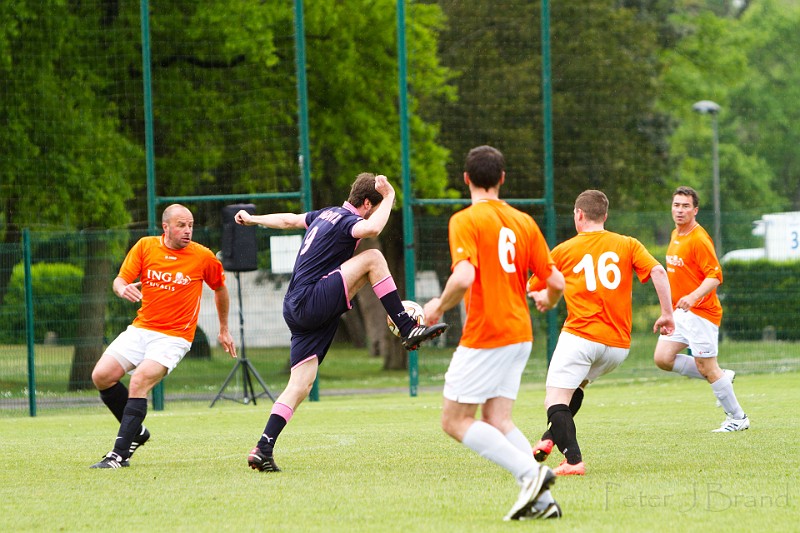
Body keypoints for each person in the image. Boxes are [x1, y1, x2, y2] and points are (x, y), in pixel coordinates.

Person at [236, 173, 448, 472]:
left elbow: (288, 221)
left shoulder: (325, 215)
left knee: (300, 384)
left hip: (296, 306)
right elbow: (373, 227)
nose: (373, 215)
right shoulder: (349, 222)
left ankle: (263, 448)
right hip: (311, 300)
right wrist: (389, 197)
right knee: (373, 257)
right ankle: (407, 326)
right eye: (373, 207)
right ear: (365, 203)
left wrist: (254, 220)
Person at [422, 146, 565, 521]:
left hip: (488, 332)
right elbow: (556, 281)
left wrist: (437, 305)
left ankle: (530, 475)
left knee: (453, 421)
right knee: (497, 420)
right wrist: (547, 300)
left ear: (465, 179)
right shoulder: (523, 221)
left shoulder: (466, 220)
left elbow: (465, 275)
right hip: (520, 332)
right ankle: (543, 500)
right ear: (502, 179)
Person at [527, 190, 675, 476]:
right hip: (617, 346)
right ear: (605, 216)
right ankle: (549, 439)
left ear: (578, 215)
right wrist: (667, 314)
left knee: (554, 401)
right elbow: (658, 272)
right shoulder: (628, 243)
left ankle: (573, 461)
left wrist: (540, 296)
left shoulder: (564, 250)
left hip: (581, 336)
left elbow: (534, 286)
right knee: (575, 389)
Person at [90, 204, 237, 469]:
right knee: (101, 376)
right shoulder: (146, 246)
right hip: (142, 328)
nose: (188, 230)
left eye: (190, 225)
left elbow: (220, 289)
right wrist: (122, 288)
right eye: (181, 225)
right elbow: (120, 280)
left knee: (139, 381)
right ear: (166, 227)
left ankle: (118, 455)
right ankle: (137, 431)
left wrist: (224, 328)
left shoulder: (203, 257)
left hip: (174, 337)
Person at [653, 186, 749, 432]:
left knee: (707, 366)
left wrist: (693, 297)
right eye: (676, 205)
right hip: (680, 313)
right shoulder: (676, 234)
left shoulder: (698, 238)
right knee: (663, 358)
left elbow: (715, 276)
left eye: (685, 206)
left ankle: (738, 418)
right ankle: (721, 376)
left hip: (702, 313)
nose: (680, 210)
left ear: (695, 210)